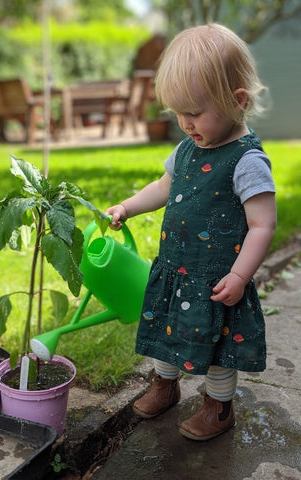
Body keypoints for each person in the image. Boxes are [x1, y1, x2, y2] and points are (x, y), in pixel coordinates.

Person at [106, 23, 276, 441]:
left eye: (195, 112)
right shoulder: (186, 148)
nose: (184, 123)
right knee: (165, 333)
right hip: (176, 271)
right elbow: (163, 187)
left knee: (217, 351)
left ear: (236, 101)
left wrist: (239, 276)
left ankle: (219, 408)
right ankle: (164, 385)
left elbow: (263, 224)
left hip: (217, 281)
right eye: (177, 112)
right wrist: (128, 206)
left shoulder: (246, 161)